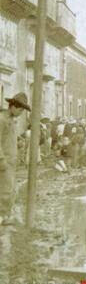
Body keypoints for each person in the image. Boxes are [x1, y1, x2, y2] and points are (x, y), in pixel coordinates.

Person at [0, 93, 29, 225]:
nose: (21, 113)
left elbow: (7, 140)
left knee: (10, 189)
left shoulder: (11, 120)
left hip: (11, 162)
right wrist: (1, 160)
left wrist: (17, 141)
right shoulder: (2, 120)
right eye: (20, 110)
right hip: (4, 162)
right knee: (5, 190)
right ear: (12, 106)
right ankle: (2, 218)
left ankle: (5, 216)